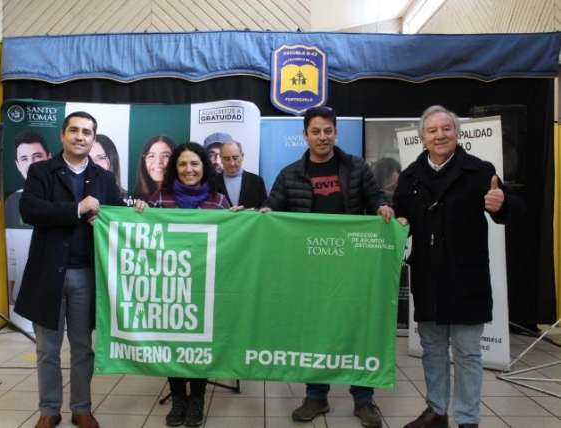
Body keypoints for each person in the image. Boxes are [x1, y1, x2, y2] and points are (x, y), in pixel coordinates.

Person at [265, 106, 394, 428]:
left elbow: (375, 197)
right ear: (305, 135)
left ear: (336, 133)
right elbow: (273, 206)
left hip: (352, 265)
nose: (322, 137)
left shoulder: (356, 167)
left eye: (327, 131)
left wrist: (382, 207)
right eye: (315, 131)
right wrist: (263, 212)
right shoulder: (290, 174)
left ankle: (363, 399)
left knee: (357, 328)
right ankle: (316, 396)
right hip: (309, 267)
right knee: (314, 329)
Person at [393, 105, 516, 428]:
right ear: (422, 138)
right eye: (432, 130)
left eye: (446, 129)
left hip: (466, 278)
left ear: (457, 134)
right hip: (428, 277)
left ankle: (467, 419)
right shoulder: (409, 177)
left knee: (467, 353)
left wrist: (502, 204)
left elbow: (513, 208)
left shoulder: (479, 171)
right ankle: (436, 411)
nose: (440, 135)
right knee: (432, 349)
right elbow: (399, 216)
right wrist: (398, 221)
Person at [15, 111, 122, 428]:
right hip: (47, 274)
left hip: (87, 274)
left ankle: (81, 408)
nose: (80, 137)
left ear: (93, 138)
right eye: (74, 130)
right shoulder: (41, 171)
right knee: (47, 349)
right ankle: (49, 410)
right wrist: (77, 209)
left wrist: (135, 209)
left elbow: (117, 216)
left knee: (82, 348)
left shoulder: (104, 178)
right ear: (62, 135)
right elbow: (30, 210)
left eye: (87, 132)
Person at [135, 142, 229, 427]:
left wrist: (241, 220)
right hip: (171, 286)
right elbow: (141, 233)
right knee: (172, 343)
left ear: (204, 167)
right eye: (183, 164)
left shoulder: (219, 201)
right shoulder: (159, 199)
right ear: (175, 168)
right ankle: (178, 399)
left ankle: (197, 399)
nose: (189, 169)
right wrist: (139, 211)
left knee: (200, 345)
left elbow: (232, 241)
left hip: (206, 287)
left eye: (194, 164)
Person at [5, 131, 51, 229]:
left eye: (37, 156)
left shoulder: (64, 193)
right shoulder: (12, 200)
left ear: (49, 158)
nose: (31, 164)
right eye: (24, 159)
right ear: (18, 165)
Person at [213, 140, 267, 209]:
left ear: (242, 156)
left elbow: (264, 209)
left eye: (235, 158)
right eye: (227, 159)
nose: (232, 163)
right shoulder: (212, 183)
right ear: (221, 159)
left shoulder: (257, 181)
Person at [133, 135, 175, 199]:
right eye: (151, 156)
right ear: (144, 161)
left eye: (166, 156)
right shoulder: (133, 199)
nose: (158, 161)